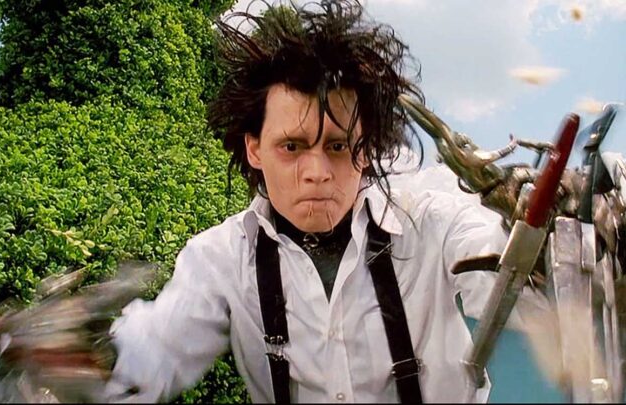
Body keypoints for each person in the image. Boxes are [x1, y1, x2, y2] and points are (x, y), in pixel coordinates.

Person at [103, 0, 538, 402]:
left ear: (366, 151)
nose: (317, 171)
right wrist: (93, 358)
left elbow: (511, 280)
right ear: (255, 149)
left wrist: (537, 235)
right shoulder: (222, 257)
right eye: (291, 147)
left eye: (337, 146)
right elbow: (153, 352)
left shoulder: (431, 221)